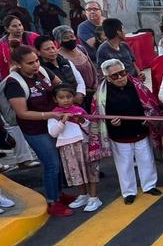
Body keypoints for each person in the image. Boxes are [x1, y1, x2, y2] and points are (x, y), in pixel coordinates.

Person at [3, 45, 69, 216]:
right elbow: (22, 113)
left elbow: (59, 85)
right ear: (17, 64)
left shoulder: (42, 72)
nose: (35, 65)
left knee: (59, 161)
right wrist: (49, 114)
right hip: (35, 130)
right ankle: (53, 202)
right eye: (30, 63)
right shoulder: (14, 83)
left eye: (37, 61)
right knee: (51, 165)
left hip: (53, 125)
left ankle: (60, 195)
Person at [96, 59, 162, 204]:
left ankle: (149, 186)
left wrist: (149, 117)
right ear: (107, 77)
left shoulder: (138, 86)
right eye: (115, 76)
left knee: (146, 160)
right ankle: (129, 192)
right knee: (124, 165)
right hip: (119, 135)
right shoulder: (101, 93)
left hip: (141, 130)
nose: (120, 77)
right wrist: (111, 122)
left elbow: (151, 104)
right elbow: (98, 117)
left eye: (122, 73)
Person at [47, 85, 100, 212]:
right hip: (67, 148)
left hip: (84, 144)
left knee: (90, 171)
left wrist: (82, 121)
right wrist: (62, 121)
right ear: (55, 99)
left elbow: (89, 128)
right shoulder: (54, 114)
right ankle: (83, 195)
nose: (66, 100)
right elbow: (53, 133)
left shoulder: (79, 110)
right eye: (61, 97)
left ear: (73, 97)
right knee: (76, 173)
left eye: (69, 97)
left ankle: (94, 198)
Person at [34, 35, 85, 105]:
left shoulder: (66, 62)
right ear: (38, 52)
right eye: (47, 49)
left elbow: (80, 81)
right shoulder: (41, 70)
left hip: (78, 100)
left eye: (53, 47)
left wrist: (80, 93)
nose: (52, 51)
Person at [53, 25, 96, 107]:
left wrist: (96, 86)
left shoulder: (80, 48)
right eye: (66, 37)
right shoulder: (59, 57)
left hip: (94, 91)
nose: (71, 39)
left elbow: (92, 67)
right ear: (59, 40)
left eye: (72, 36)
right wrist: (81, 92)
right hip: (78, 95)